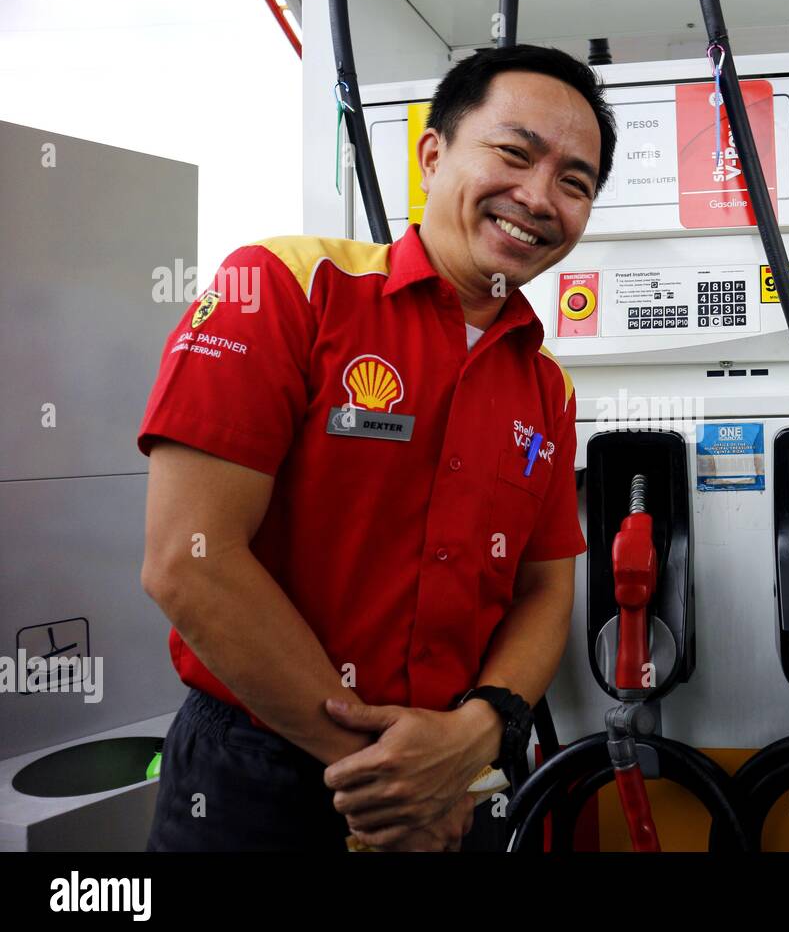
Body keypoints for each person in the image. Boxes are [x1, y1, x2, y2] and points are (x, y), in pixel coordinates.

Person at [138, 44, 617, 850]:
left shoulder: (548, 387)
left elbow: (544, 590)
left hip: (455, 769)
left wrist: (482, 729)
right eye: (514, 153)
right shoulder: (285, 288)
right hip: (261, 773)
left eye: (575, 183)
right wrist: (392, 780)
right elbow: (189, 558)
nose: (539, 197)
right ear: (432, 155)